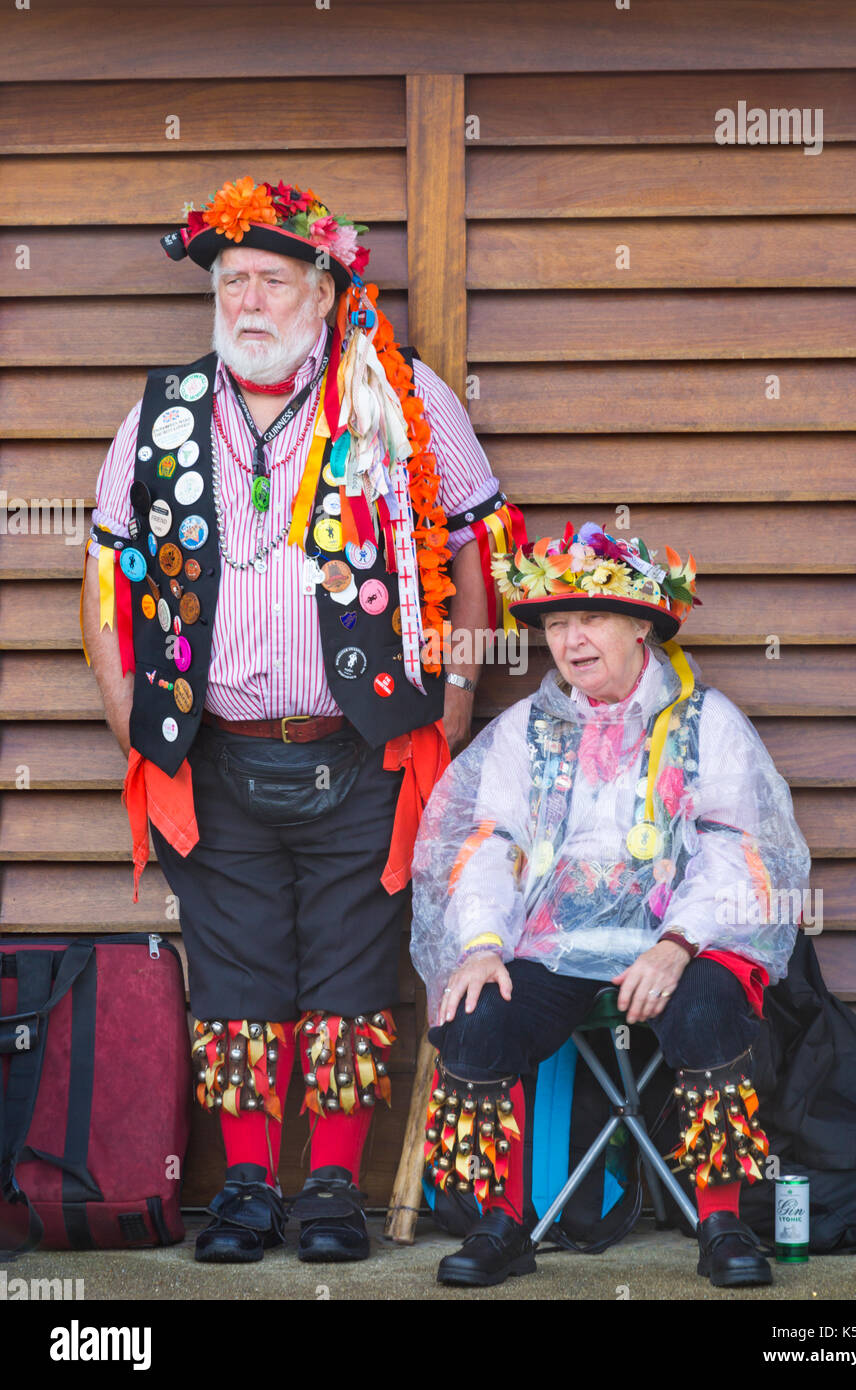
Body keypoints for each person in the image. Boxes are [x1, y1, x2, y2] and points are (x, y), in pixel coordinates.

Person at [80, 175, 524, 1264]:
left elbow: (474, 546)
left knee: (351, 972)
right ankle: (242, 1191)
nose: (248, 300)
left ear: (325, 290)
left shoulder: (401, 398)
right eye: (232, 281)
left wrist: (457, 701)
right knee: (232, 977)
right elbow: (102, 566)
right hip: (214, 748)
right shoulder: (163, 412)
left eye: (273, 279)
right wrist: (127, 711)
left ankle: (329, 1187)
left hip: (364, 748)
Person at [410, 521, 811, 1287]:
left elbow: (740, 852)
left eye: (590, 618)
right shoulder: (527, 729)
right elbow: (490, 844)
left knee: (707, 1005)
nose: (570, 640)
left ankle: (721, 1220)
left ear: (641, 627)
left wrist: (680, 941)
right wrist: (485, 941)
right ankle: (503, 1224)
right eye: (557, 624)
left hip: (671, 942)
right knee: (474, 1009)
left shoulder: (704, 721)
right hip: (554, 946)